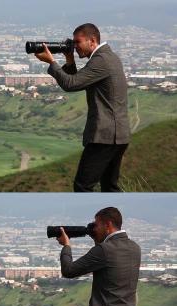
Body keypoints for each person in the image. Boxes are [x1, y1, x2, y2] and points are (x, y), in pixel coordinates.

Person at [36, 23, 130, 192]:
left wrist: (52, 61)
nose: (75, 46)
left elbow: (71, 84)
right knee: (109, 186)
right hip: (117, 134)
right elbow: (78, 80)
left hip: (105, 136)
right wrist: (69, 59)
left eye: (77, 42)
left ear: (92, 40)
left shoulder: (101, 60)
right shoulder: (107, 57)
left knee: (82, 186)